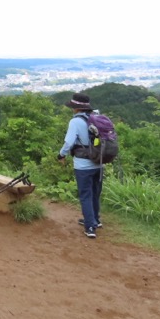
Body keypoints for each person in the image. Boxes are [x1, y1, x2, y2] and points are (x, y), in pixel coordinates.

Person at [58, 92, 103, 239]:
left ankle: (90, 227)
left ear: (76, 108)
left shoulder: (75, 122)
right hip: (99, 162)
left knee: (85, 195)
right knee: (95, 192)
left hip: (83, 165)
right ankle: (95, 219)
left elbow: (69, 142)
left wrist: (61, 155)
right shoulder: (96, 117)